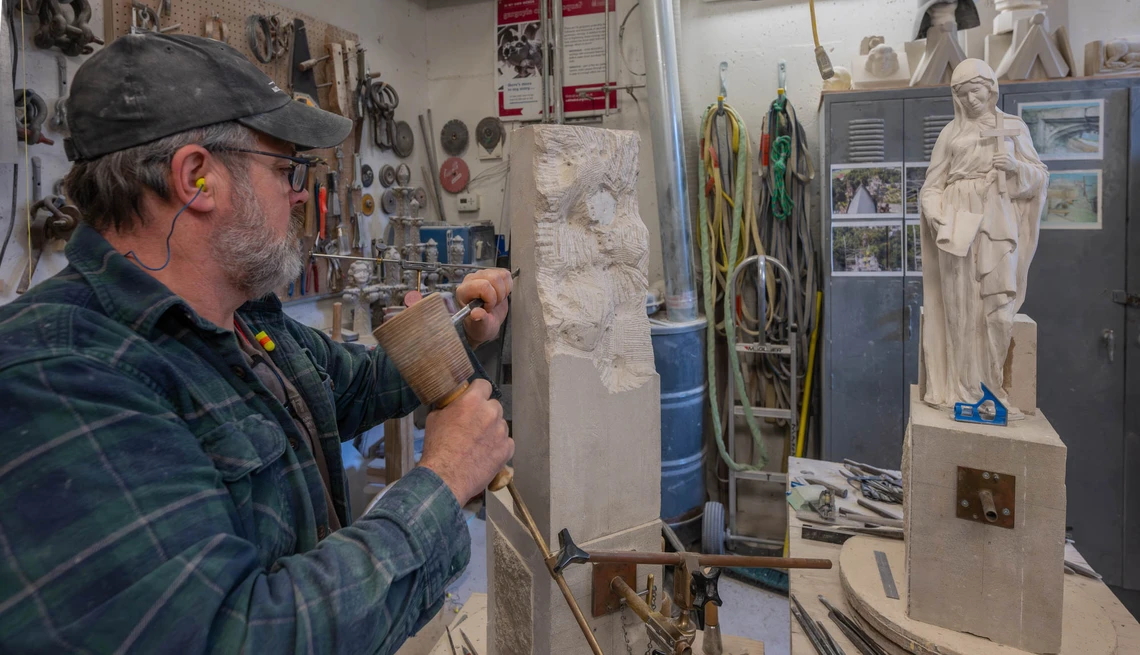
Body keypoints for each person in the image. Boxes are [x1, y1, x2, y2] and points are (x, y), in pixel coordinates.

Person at [0, 33, 513, 653]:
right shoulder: (59, 375)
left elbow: (353, 384)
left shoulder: (238, 323)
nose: (301, 193)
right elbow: (235, 636)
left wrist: (460, 328)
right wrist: (444, 478)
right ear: (197, 178)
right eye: (285, 170)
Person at [919, 59, 1048, 411]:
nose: (970, 99)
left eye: (975, 90)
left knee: (998, 310)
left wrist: (1016, 167)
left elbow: (1039, 177)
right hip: (958, 223)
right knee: (959, 310)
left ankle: (991, 389)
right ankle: (963, 390)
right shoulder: (951, 134)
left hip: (997, 222)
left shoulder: (1014, 128)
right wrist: (938, 217)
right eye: (962, 94)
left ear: (990, 88)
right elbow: (931, 187)